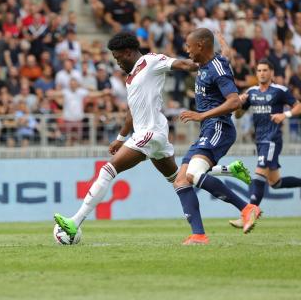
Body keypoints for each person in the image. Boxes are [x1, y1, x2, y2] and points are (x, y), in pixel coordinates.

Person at [54, 32, 220, 244]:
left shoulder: (151, 61)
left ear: (128, 52)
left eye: (117, 57)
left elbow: (186, 65)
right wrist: (121, 137)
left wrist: (215, 62)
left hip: (150, 133)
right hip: (151, 135)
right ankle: (204, 223)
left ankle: (74, 222)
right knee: (180, 180)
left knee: (107, 170)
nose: (117, 62)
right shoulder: (131, 77)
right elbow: (132, 112)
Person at [173, 28, 260, 245]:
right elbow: (225, 56)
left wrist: (201, 115)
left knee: (193, 174)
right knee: (181, 180)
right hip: (208, 128)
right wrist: (223, 42)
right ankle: (199, 235)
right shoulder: (209, 64)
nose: (187, 50)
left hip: (218, 126)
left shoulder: (217, 68)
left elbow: (234, 101)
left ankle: (247, 208)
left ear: (200, 46)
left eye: (188, 45)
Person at [229, 59, 301, 228]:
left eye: (265, 70)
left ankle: (249, 214)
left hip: (272, 139)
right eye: (259, 70)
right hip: (260, 140)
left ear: (272, 73)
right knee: (275, 183)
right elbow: (238, 115)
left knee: (259, 174)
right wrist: (239, 102)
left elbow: (298, 106)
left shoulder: (280, 91)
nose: (262, 73)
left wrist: (285, 115)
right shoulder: (251, 92)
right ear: (256, 73)